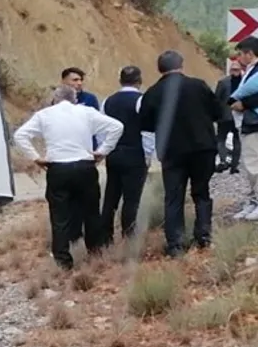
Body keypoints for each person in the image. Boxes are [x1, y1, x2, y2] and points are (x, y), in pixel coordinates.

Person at [12, 85, 125, 270]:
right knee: (91, 212)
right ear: (75, 98)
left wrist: (36, 157)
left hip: (58, 168)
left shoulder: (44, 115)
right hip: (84, 166)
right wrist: (103, 151)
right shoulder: (86, 112)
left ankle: (63, 261)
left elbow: (20, 135)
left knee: (59, 216)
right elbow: (117, 126)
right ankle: (95, 253)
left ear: (55, 99)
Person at [139, 50, 222, 256]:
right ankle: (203, 236)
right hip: (203, 147)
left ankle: (175, 244)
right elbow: (218, 112)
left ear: (160, 69)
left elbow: (145, 123)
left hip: (171, 150)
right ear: (181, 65)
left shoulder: (153, 92)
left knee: (173, 196)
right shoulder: (199, 85)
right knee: (201, 192)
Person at [100, 66, 156, 243]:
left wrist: (105, 149)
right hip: (134, 153)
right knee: (131, 199)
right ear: (139, 81)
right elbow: (147, 131)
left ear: (120, 80)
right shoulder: (142, 101)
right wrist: (148, 155)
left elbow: (102, 129)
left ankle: (105, 237)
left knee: (111, 197)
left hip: (114, 153)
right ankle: (128, 237)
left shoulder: (107, 101)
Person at [230, 38, 258, 219]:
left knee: (254, 164)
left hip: (254, 123)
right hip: (248, 123)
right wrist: (234, 78)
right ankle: (253, 200)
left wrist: (245, 104)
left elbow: (243, 98)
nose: (239, 57)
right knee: (249, 165)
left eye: (241, 54)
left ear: (249, 53)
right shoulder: (248, 72)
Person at [215, 56, 243, 174]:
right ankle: (233, 166)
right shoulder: (244, 82)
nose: (235, 72)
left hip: (225, 116)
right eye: (234, 69)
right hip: (237, 116)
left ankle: (224, 161)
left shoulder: (223, 82)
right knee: (236, 140)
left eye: (236, 69)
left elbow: (216, 98)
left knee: (221, 139)